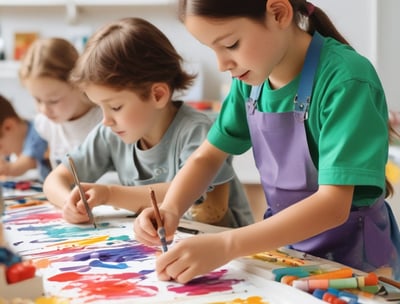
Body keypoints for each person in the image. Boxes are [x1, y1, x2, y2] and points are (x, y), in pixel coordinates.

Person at [133, 0, 400, 283]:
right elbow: (208, 156)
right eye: (213, 49)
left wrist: (226, 245)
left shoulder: (347, 80)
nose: (222, 64)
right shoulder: (250, 82)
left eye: (231, 44)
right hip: (291, 255)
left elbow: (333, 206)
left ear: (278, 13)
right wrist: (171, 208)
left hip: (359, 266)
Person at [42, 17, 254, 228]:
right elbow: (54, 180)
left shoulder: (196, 131)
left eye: (115, 107)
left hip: (229, 252)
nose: (106, 120)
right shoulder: (110, 133)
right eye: (100, 107)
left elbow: (193, 197)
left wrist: (109, 193)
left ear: (158, 95)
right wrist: (69, 203)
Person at [18, 37, 103, 170]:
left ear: (78, 84)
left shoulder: (105, 121)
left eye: (53, 101)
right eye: (37, 100)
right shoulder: (45, 123)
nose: (44, 109)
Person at [0, 95, 50, 181]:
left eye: (0, 147)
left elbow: (27, 162)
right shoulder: (13, 146)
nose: (2, 154)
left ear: (8, 127)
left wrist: (7, 169)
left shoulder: (38, 129)